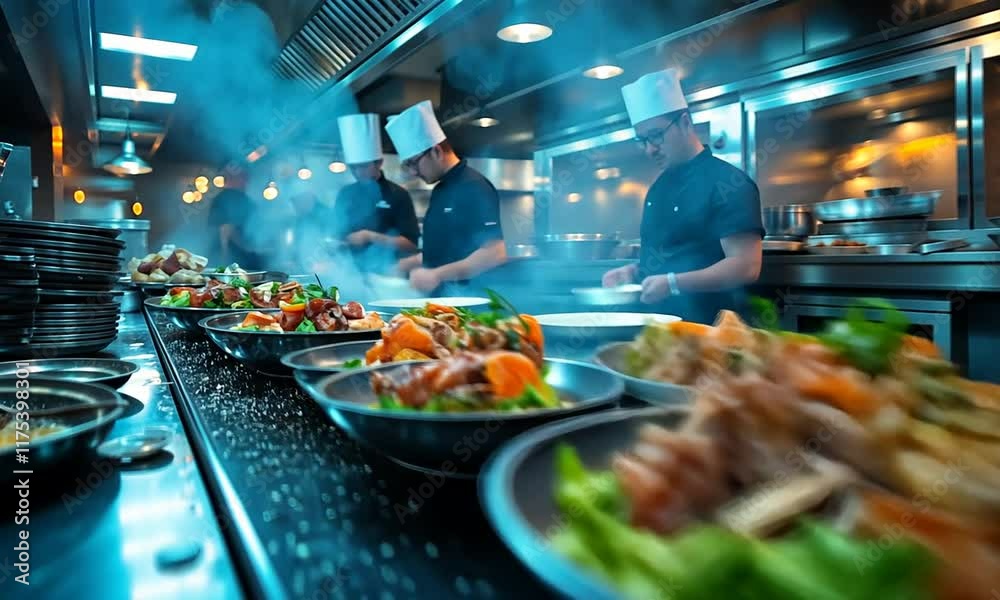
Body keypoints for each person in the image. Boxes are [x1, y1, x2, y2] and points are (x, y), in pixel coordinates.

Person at [602, 68, 764, 324]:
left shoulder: (729, 182)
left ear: (685, 122)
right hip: (657, 329)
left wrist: (673, 283)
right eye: (642, 140)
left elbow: (745, 266)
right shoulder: (657, 189)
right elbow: (668, 257)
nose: (650, 149)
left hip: (712, 331)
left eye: (656, 135)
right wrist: (633, 272)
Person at [385, 100, 506, 293]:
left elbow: (494, 253)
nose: (413, 172)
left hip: (468, 304)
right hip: (441, 303)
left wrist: (436, 275)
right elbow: (444, 251)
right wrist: (406, 264)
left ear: (436, 151)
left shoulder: (473, 186)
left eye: (413, 163)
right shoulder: (440, 190)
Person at [331, 113, 419, 264]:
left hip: (386, 271)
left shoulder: (398, 195)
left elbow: (411, 245)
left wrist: (370, 236)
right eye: (353, 168)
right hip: (348, 270)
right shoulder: (345, 193)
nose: (358, 173)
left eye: (364, 166)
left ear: (379, 162)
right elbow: (335, 235)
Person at [207, 169, 264, 268]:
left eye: (246, 178)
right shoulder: (227, 197)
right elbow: (225, 229)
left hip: (243, 256)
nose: (246, 181)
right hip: (234, 257)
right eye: (242, 177)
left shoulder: (245, 199)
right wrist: (246, 247)